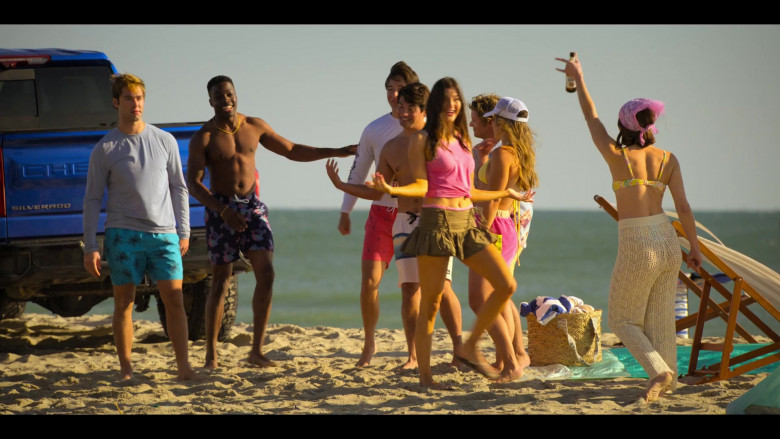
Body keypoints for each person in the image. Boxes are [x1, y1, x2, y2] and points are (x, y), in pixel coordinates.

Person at [368, 77, 534, 389]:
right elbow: (422, 184)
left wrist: (507, 195)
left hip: (466, 224)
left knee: (505, 285)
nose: (453, 105)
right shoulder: (423, 141)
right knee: (430, 303)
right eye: (445, 101)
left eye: (456, 99)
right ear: (435, 106)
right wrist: (390, 188)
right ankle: (426, 377)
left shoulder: (462, 141)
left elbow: (469, 190)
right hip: (435, 224)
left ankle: (469, 346)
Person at [556, 53, 702, 403]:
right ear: (650, 127)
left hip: (638, 242)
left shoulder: (617, 156)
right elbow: (682, 207)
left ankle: (659, 372)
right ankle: (670, 385)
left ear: (623, 127)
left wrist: (578, 78)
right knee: (660, 320)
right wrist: (694, 248)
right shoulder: (668, 158)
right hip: (668, 241)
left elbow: (590, 117)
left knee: (621, 320)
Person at [187, 75, 355, 369]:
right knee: (221, 281)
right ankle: (211, 355)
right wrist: (222, 211)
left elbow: (291, 150)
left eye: (229, 94)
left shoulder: (254, 126)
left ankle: (256, 352)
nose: (225, 99)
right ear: (210, 100)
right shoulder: (204, 137)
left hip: (252, 207)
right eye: (218, 96)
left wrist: (336, 151)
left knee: (267, 274)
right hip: (221, 209)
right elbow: (194, 183)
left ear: (236, 95)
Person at [325, 83, 464, 371]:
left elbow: (452, 181)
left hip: (435, 219)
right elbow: (379, 193)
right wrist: (342, 186)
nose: (401, 112)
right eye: (399, 106)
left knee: (442, 289)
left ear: (424, 110)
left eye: (408, 107)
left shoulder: (440, 141)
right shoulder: (391, 147)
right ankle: (413, 356)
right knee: (409, 289)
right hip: (404, 221)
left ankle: (459, 350)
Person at [83, 73, 198, 381]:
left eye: (140, 98)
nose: (136, 104)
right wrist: (91, 246)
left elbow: (179, 187)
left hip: (164, 235)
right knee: (124, 302)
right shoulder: (105, 148)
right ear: (115, 102)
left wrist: (183, 231)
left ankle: (184, 368)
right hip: (123, 235)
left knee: (174, 299)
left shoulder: (164, 140)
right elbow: (92, 199)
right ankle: (126, 370)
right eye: (129, 99)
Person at [337, 62, 420, 367]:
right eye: (388, 89)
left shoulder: (426, 128)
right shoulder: (374, 129)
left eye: (399, 88)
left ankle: (412, 354)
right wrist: (346, 211)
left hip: (411, 216)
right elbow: (358, 172)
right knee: (369, 283)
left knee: (411, 288)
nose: (393, 95)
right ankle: (369, 343)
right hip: (380, 214)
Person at [467, 95, 537, 381]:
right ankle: (512, 357)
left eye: (494, 119)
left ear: (502, 122)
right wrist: (479, 159)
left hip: (493, 227)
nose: (490, 123)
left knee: (479, 300)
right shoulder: (513, 153)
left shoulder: (502, 154)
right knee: (496, 297)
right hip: (504, 226)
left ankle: (510, 362)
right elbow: (489, 188)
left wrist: (480, 228)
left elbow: (492, 198)